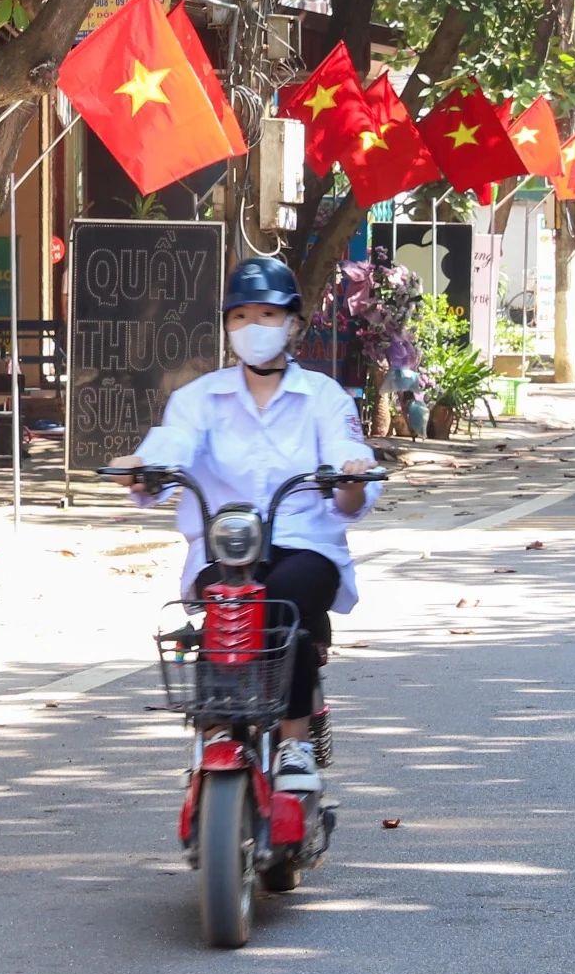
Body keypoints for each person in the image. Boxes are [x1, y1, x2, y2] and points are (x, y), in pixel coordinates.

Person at [108, 255, 382, 795]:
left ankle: (296, 743)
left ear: (293, 324)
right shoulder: (199, 398)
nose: (252, 328)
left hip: (305, 546)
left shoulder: (323, 398)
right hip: (225, 548)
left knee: (283, 604)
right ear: (227, 325)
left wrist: (351, 476)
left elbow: (351, 469)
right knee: (225, 610)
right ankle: (215, 735)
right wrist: (142, 472)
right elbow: (171, 451)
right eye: (239, 317)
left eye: (266, 315)